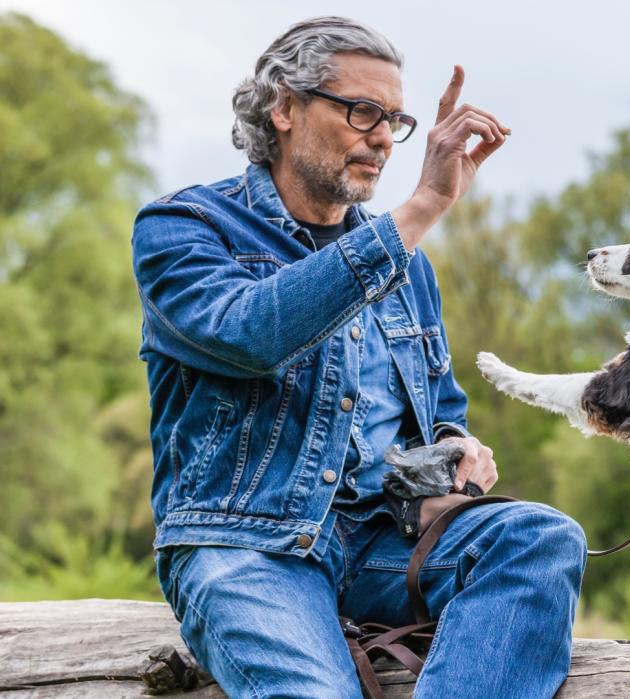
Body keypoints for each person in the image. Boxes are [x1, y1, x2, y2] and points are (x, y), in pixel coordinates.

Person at [131, 16, 587, 698]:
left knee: (539, 536)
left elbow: (436, 412)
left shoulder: (408, 267)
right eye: (362, 110)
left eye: (395, 120)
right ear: (283, 106)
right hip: (246, 547)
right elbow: (252, 334)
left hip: (383, 545)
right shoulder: (185, 229)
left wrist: (450, 457)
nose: (382, 136)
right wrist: (425, 206)